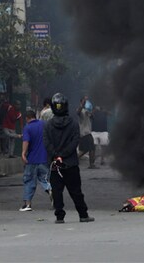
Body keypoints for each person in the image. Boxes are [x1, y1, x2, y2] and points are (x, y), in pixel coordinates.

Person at [43, 93, 93, 224]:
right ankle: (83, 215)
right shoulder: (73, 123)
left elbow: (46, 142)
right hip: (70, 163)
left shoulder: (48, 125)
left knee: (57, 192)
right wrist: (64, 154)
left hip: (55, 164)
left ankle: (59, 217)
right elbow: (75, 141)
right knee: (76, 191)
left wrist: (56, 155)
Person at [20, 109, 50, 212]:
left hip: (32, 159)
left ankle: (28, 204)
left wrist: (23, 153)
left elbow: (26, 141)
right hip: (44, 158)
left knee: (29, 181)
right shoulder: (44, 124)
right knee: (45, 179)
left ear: (27, 118)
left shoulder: (27, 127)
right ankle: (52, 192)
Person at [77, 97, 95, 169]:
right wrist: (82, 105)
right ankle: (71, 161)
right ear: (81, 102)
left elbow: (93, 117)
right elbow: (78, 112)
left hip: (87, 132)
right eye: (84, 101)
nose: (85, 102)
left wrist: (91, 112)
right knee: (86, 150)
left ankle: (91, 164)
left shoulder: (86, 111)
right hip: (84, 133)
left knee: (91, 149)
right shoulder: (81, 110)